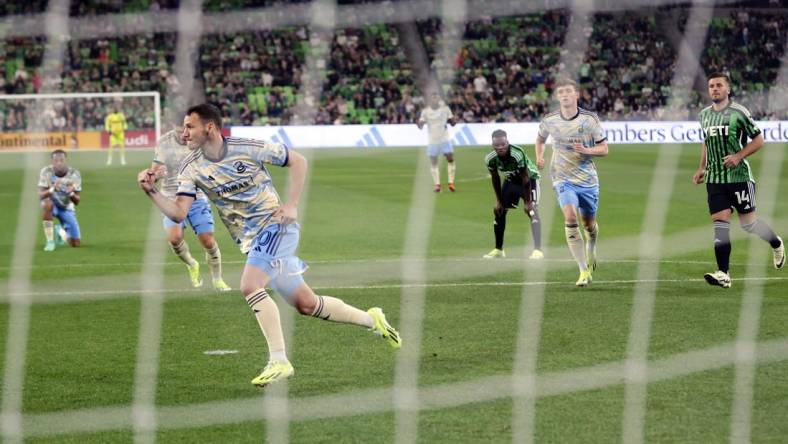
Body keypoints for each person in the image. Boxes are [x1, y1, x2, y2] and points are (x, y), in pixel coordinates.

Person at [138, 104, 401, 387]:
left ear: (209, 127)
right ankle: (373, 320)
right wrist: (151, 191)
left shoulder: (248, 147)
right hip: (251, 241)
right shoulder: (191, 168)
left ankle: (279, 360)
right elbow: (178, 212)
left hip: (277, 226)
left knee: (250, 285)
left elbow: (298, 161)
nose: (184, 132)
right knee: (306, 304)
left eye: (190, 126)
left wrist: (291, 204)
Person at [692, 72, 784, 288]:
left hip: (739, 178)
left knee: (749, 224)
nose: (714, 89)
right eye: (711, 86)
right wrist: (702, 167)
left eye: (719, 85)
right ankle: (723, 274)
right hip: (715, 179)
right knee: (720, 225)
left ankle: (776, 243)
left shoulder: (739, 113)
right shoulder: (704, 115)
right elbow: (706, 141)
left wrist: (738, 156)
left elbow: (759, 140)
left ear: (728, 89)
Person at [535, 78, 608, 287]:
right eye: (561, 92)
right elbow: (540, 139)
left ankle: (591, 245)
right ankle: (583, 270)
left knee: (588, 224)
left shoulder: (589, 120)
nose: (564, 95)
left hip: (587, 180)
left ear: (577, 94)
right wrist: (539, 156)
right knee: (569, 217)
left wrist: (588, 151)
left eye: (568, 91)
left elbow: (604, 148)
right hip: (562, 177)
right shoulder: (549, 120)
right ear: (557, 97)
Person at [149, 123, 231, 291]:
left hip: (196, 197)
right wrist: (156, 175)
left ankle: (217, 279)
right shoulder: (164, 143)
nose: (184, 133)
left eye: (188, 127)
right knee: (174, 238)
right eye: (181, 128)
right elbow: (153, 174)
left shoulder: (200, 140)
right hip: (171, 198)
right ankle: (192, 264)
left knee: (208, 241)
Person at [483, 129, 543, 260]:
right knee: (499, 211)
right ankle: (498, 249)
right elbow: (495, 179)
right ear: (492, 146)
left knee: (532, 211)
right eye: (497, 145)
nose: (500, 148)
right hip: (510, 181)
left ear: (507, 143)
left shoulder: (517, 153)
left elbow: (525, 177)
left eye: (503, 144)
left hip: (529, 180)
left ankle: (538, 250)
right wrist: (499, 201)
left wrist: (528, 202)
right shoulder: (490, 159)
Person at [38, 149, 81, 251]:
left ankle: (60, 232)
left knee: (75, 244)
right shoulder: (46, 172)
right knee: (47, 205)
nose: (59, 163)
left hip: (66, 207)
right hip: (52, 204)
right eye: (56, 160)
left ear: (65, 160)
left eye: (61, 160)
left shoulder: (75, 174)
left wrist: (71, 193)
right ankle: (50, 241)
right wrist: (52, 189)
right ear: (52, 161)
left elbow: (77, 201)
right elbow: (40, 195)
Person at [417, 91, 457, 192]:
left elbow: (452, 121)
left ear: (439, 99)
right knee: (434, 162)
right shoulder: (425, 111)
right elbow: (420, 123)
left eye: (437, 97)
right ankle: (437, 185)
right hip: (432, 140)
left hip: (444, 138)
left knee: (450, 158)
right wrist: (419, 123)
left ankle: (451, 183)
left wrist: (453, 121)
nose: (435, 99)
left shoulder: (445, 109)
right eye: (433, 98)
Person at [105, 101, 127, 165]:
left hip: (120, 133)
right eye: (114, 108)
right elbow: (107, 125)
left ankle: (123, 160)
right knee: (111, 147)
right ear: (112, 109)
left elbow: (124, 123)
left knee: (122, 146)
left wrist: (125, 128)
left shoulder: (121, 115)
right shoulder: (109, 117)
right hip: (113, 134)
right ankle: (109, 160)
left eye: (116, 108)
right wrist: (108, 130)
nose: (115, 109)